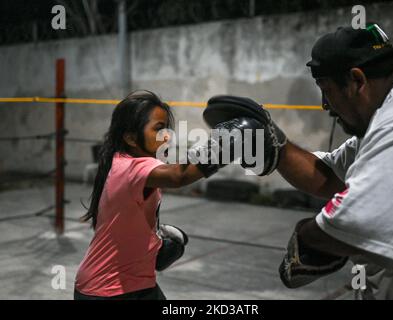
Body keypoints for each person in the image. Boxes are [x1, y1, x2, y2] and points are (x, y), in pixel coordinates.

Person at [74, 90, 278, 300]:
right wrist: (232, 140)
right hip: (107, 289)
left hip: (129, 283)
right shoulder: (133, 167)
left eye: (167, 129)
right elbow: (179, 176)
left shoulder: (120, 161)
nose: (167, 135)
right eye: (158, 129)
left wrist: (153, 241)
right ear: (131, 138)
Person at [272, 23, 393, 299]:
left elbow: (356, 223)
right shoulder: (392, 107)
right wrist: (273, 146)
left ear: (357, 81)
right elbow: (330, 173)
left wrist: (306, 236)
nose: (325, 106)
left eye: (326, 90)